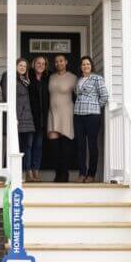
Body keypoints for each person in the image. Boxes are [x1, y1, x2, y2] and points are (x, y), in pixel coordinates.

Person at [74, 56, 109, 183]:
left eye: (88, 64)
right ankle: (82, 173)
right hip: (78, 115)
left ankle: (91, 174)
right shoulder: (79, 80)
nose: (85, 66)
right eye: (83, 64)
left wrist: (95, 106)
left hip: (92, 116)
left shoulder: (97, 79)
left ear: (91, 65)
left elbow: (104, 96)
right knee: (80, 146)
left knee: (92, 145)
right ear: (81, 67)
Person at [0, 59, 36, 182]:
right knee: (14, 147)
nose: (22, 67)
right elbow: (7, 96)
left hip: (28, 118)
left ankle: (26, 173)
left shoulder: (25, 80)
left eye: (24, 66)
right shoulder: (8, 76)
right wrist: (14, 116)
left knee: (27, 146)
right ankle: (10, 174)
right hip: (16, 117)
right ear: (15, 66)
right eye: (20, 65)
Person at [47, 54, 77, 182]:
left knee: (65, 147)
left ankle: (64, 174)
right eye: (56, 61)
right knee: (53, 148)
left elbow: (79, 94)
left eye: (61, 61)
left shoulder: (73, 77)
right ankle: (58, 173)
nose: (59, 63)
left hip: (66, 113)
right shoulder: (51, 77)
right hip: (52, 113)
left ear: (66, 62)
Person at [27, 56, 49, 182]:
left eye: (43, 64)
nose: (41, 65)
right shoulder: (27, 77)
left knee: (38, 146)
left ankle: (36, 171)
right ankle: (28, 172)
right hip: (30, 118)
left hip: (42, 119)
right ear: (33, 64)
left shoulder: (47, 79)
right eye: (38, 63)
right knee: (28, 145)